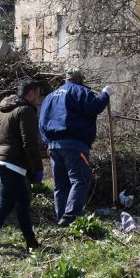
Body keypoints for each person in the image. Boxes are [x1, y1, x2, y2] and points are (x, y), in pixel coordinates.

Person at [0, 79, 44, 253]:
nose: (39, 99)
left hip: (0, 161)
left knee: (23, 201)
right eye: (38, 94)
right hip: (12, 164)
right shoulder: (26, 110)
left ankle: (31, 241)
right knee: (4, 205)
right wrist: (37, 167)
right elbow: (29, 143)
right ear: (31, 93)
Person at [39, 68, 112, 227]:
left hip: (53, 146)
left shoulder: (50, 97)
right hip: (74, 144)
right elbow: (94, 107)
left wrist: (47, 143)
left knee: (60, 184)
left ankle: (61, 218)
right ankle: (70, 217)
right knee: (80, 180)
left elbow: (41, 123)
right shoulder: (80, 91)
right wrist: (105, 95)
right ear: (80, 79)